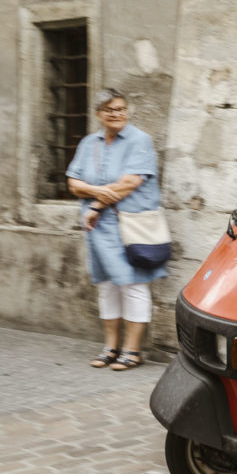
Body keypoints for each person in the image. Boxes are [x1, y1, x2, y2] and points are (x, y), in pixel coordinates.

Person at [66, 88, 167, 370]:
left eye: (121, 109)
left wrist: (95, 204)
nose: (116, 114)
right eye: (109, 110)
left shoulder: (139, 140)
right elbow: (73, 183)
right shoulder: (89, 143)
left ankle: (132, 350)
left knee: (133, 284)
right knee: (107, 285)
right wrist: (96, 190)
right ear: (98, 114)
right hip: (98, 228)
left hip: (130, 224)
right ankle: (111, 346)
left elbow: (130, 182)